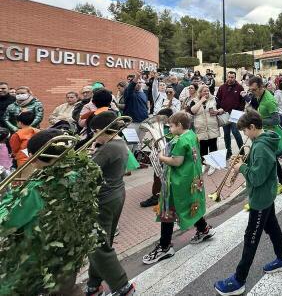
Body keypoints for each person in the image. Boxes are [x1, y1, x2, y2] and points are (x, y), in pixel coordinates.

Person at [0, 129, 102, 295]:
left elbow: (7, 223)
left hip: (38, 253)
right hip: (68, 247)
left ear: (34, 156)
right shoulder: (81, 172)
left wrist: (6, 200)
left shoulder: (38, 189)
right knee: (65, 287)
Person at [214, 110, 282, 295]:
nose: (244, 135)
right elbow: (259, 167)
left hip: (261, 197)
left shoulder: (261, 147)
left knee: (251, 238)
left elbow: (256, 177)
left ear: (253, 127)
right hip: (266, 195)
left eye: (245, 131)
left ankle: (239, 280)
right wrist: (244, 161)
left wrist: (242, 167)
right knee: (272, 227)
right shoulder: (260, 142)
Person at [142, 111, 215, 265]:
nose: (169, 129)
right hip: (190, 179)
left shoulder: (181, 141)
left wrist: (160, 157)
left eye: (171, 126)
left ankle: (165, 246)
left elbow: (176, 162)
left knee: (167, 212)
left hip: (178, 182)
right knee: (190, 204)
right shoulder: (191, 135)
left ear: (180, 126)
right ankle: (203, 229)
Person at [85, 112, 136, 296]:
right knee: (101, 241)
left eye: (95, 132)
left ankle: (122, 286)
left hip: (104, 199)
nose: (94, 135)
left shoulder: (109, 147)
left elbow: (87, 170)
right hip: (116, 195)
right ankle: (94, 283)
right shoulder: (119, 143)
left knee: (97, 244)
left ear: (100, 130)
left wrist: (92, 151)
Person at [247, 77, 282, 194]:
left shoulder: (269, 100)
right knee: (272, 161)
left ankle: (280, 184)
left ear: (261, 87)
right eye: (251, 90)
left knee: (271, 161)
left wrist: (258, 121)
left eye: (254, 90)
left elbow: (276, 120)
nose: (252, 92)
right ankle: (281, 183)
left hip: (271, 135)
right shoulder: (259, 95)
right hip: (264, 134)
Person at [190, 85, 221, 176]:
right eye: (204, 91)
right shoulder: (195, 101)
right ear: (200, 92)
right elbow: (193, 111)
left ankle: (213, 164)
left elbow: (221, 108)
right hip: (201, 128)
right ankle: (204, 164)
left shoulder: (214, 99)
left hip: (212, 126)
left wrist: (218, 111)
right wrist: (201, 101)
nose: (207, 93)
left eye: (208, 91)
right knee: (203, 147)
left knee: (213, 146)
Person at [216, 71, 245, 159]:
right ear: (227, 77)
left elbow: (243, 101)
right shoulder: (222, 87)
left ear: (235, 77)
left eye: (232, 77)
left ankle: (242, 151)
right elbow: (217, 99)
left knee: (236, 132)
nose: (230, 79)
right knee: (226, 134)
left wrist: (240, 111)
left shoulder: (239, 87)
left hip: (235, 113)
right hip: (224, 113)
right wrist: (219, 109)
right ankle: (228, 152)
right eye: (229, 77)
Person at [123, 74, 149, 146]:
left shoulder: (142, 94)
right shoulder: (128, 92)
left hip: (142, 123)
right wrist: (137, 77)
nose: (138, 84)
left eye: (140, 82)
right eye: (136, 82)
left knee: (138, 145)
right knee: (130, 145)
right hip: (131, 123)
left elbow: (145, 107)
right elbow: (131, 87)